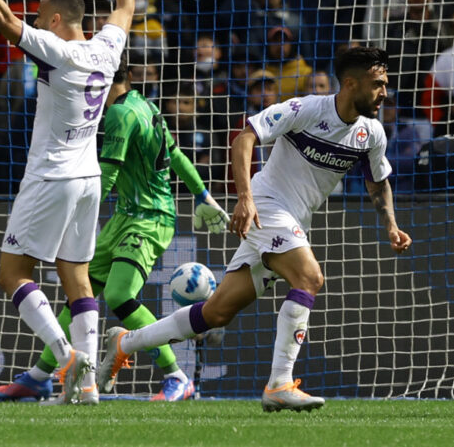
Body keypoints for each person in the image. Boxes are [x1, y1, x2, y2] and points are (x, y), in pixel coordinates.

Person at [97, 46, 411, 412]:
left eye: (385, 84)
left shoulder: (371, 133)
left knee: (216, 313)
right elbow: (244, 137)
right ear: (352, 83)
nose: (384, 92)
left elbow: (378, 181)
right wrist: (244, 198)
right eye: (377, 84)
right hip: (266, 206)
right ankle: (280, 384)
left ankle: (125, 343)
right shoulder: (307, 109)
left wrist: (391, 225)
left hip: (294, 219)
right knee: (309, 278)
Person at [0, 0, 134, 405]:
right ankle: (88, 386)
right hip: (89, 178)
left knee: (13, 273)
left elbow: (2, 20)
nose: (34, 23)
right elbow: (125, 8)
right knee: (77, 277)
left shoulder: (58, 50)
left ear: (55, 20)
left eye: (39, 18)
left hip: (51, 176)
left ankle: (65, 356)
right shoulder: (107, 47)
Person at [0, 59, 229, 402]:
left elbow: (110, 173)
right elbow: (176, 156)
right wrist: (203, 195)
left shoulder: (119, 114)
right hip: (125, 217)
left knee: (118, 296)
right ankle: (39, 376)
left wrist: (72, 214)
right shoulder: (146, 105)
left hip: (149, 219)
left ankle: (177, 376)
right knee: (79, 294)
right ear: (129, 76)